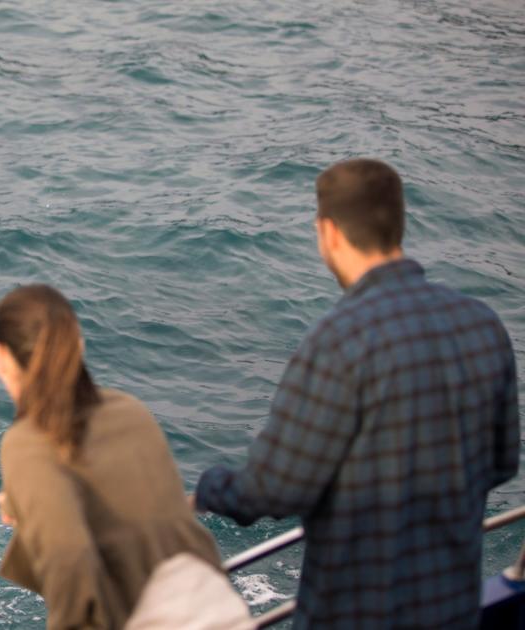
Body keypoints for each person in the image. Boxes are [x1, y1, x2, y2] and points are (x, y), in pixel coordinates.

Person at [193, 158, 519, 628]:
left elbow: (273, 488)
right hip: (452, 610)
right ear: (397, 225)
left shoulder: (338, 340)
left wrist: (206, 491)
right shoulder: (483, 325)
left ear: (328, 232)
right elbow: (503, 462)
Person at [0, 284, 222, 629]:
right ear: (79, 346)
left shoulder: (26, 443)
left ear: (0, 357)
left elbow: (71, 560)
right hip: (216, 609)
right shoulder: (131, 411)